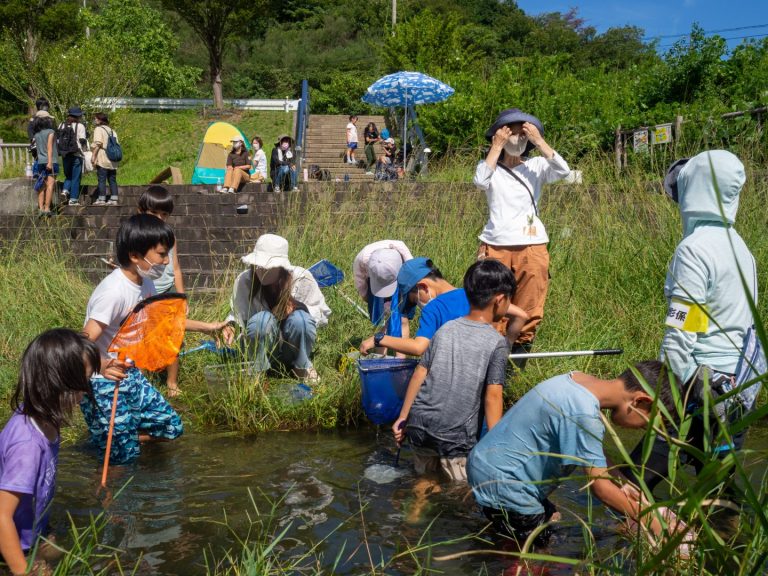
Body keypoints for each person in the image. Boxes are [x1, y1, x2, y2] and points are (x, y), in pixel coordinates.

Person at [625, 150, 762, 492]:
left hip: (697, 393)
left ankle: (624, 543)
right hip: (739, 390)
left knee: (630, 485)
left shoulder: (694, 249)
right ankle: (726, 543)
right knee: (719, 493)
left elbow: (683, 329)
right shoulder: (740, 247)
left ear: (694, 189)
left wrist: (664, 396)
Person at [467, 361, 679, 547]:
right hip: (507, 484)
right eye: (647, 423)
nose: (641, 429)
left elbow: (590, 449)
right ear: (641, 401)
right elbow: (601, 489)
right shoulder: (585, 414)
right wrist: (652, 520)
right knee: (535, 559)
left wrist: (622, 481)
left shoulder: (578, 380)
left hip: (485, 463)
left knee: (552, 519)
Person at [80, 214, 232, 464]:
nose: (166, 260)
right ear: (135, 255)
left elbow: (164, 324)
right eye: (161, 254)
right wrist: (104, 365)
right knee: (121, 462)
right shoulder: (113, 293)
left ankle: (114, 435)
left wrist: (210, 327)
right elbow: (81, 342)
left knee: (171, 428)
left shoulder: (146, 284)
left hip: (129, 374)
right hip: (101, 381)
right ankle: (112, 443)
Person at [393, 260, 515, 483]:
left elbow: (420, 373)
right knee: (462, 493)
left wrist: (403, 418)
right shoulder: (497, 343)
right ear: (500, 300)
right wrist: (497, 443)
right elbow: (493, 395)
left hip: (419, 426)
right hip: (455, 437)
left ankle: (411, 516)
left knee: (424, 483)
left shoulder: (445, 330)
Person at [0, 329, 100, 576]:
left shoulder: (43, 416)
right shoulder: (28, 445)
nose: (87, 391)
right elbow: (1, 516)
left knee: (66, 553)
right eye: (83, 383)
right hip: (12, 541)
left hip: (35, 529)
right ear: (59, 384)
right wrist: (23, 571)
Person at [474, 108, 571, 362]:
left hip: (532, 245)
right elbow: (480, 181)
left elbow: (563, 171)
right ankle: (491, 357)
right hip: (495, 245)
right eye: (511, 132)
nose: (517, 137)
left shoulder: (537, 166)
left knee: (529, 305)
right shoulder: (490, 167)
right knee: (492, 303)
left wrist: (540, 141)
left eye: (522, 133)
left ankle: (518, 360)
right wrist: (496, 147)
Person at [360, 257, 527, 357]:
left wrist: (379, 339)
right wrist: (507, 346)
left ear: (423, 287)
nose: (418, 304)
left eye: (414, 299)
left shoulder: (434, 309)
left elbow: (419, 347)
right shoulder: (474, 295)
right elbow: (521, 315)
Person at [227, 234, 331, 384]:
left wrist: (297, 307)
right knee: (261, 320)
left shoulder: (302, 278)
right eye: (258, 265)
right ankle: (258, 369)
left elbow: (321, 313)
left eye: (268, 267)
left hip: (292, 348)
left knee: (301, 319)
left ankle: (301, 365)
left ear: (281, 267)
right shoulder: (245, 280)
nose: (261, 270)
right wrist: (230, 326)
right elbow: (237, 313)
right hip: (263, 349)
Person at [137, 186, 185, 397]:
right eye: (154, 213)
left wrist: (182, 297)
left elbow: (175, 268)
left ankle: (172, 382)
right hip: (145, 292)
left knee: (173, 337)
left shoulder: (169, 236)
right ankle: (141, 378)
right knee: (143, 336)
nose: (159, 218)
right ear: (142, 211)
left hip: (167, 290)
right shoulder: (137, 235)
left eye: (164, 214)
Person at [353, 240, 413, 352]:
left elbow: (412, 277)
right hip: (374, 281)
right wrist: (366, 297)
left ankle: (400, 359)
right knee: (383, 318)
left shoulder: (405, 258)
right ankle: (380, 358)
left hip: (400, 280)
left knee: (402, 319)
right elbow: (360, 283)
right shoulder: (362, 259)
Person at [58, 106, 89, 207]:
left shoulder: (61, 125)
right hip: (77, 154)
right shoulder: (80, 126)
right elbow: (82, 141)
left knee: (68, 175)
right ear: (78, 116)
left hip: (65, 154)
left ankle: (65, 190)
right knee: (76, 177)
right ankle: (73, 200)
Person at [31, 111, 58, 217]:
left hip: (40, 161)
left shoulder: (37, 134)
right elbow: (50, 148)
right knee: (50, 185)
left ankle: (41, 208)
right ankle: (47, 209)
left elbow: (37, 150)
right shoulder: (51, 131)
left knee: (41, 186)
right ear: (46, 120)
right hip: (51, 161)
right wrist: (50, 162)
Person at [91, 112, 120, 206]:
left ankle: (102, 199)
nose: (94, 120)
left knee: (102, 178)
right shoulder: (112, 130)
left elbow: (98, 143)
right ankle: (114, 198)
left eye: (95, 119)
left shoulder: (98, 129)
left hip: (103, 157)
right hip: (112, 159)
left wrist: (93, 156)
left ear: (99, 120)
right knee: (112, 179)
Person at [27, 98, 51, 180]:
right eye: (45, 105)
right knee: (38, 159)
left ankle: (45, 176)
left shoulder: (48, 117)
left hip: (47, 143)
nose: (47, 107)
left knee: (47, 159)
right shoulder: (34, 118)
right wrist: (33, 139)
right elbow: (30, 131)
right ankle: (37, 175)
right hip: (37, 144)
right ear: (40, 106)